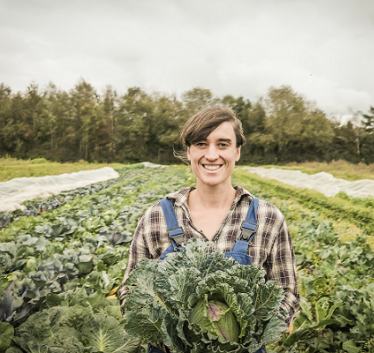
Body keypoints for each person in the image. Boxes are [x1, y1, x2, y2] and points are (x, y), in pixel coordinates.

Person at [118, 106, 300, 353]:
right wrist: (176, 338)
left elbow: (287, 293)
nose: (212, 155)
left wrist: (249, 335)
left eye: (223, 144)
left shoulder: (268, 219)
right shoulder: (156, 217)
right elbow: (132, 291)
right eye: (201, 144)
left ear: (237, 152)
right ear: (190, 152)